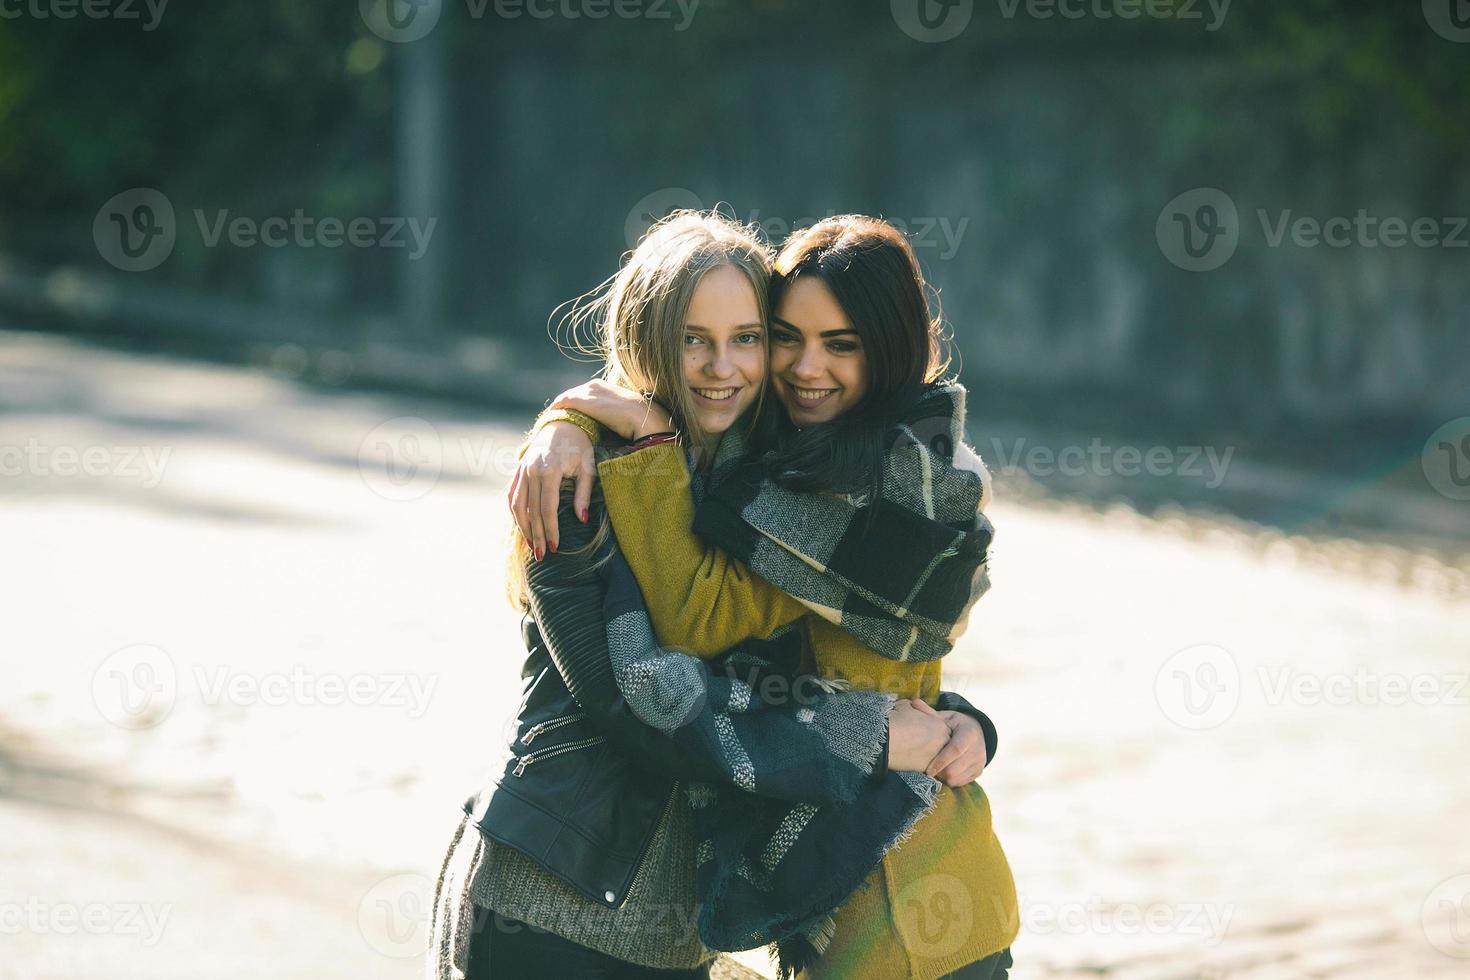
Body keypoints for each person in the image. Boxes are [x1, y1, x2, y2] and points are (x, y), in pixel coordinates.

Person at [428, 212, 997, 980]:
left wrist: (959, 722)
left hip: (674, 939)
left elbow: (805, 670)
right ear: (648, 336)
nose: (720, 366)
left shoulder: (760, 490)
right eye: (693, 338)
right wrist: (568, 423)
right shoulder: (581, 479)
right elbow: (642, 706)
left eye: (749, 337)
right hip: (547, 908)